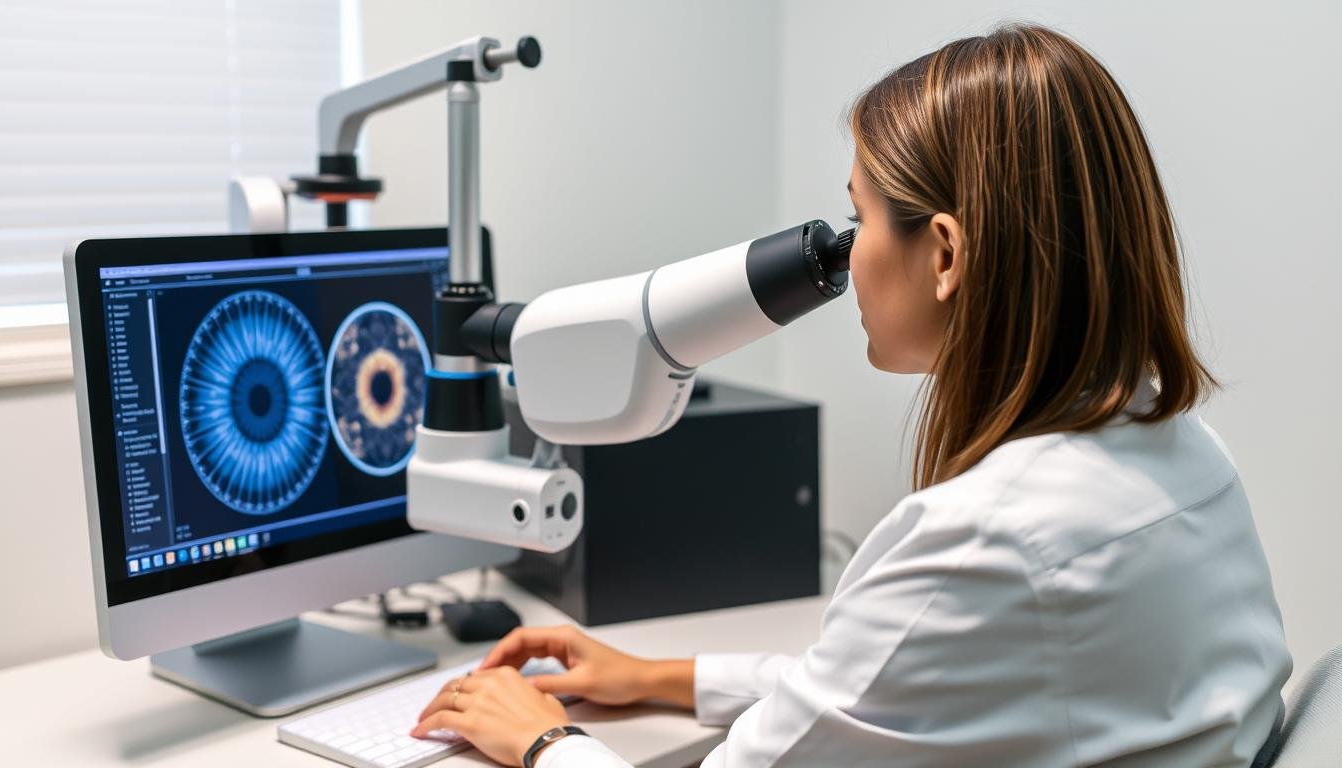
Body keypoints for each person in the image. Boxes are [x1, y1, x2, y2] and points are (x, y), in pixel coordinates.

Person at [410, 23, 1292, 768]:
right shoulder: (1180, 448)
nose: (845, 256)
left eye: (861, 218)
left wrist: (541, 739)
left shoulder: (980, 541)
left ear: (945, 254)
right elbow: (889, 684)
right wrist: (658, 676)